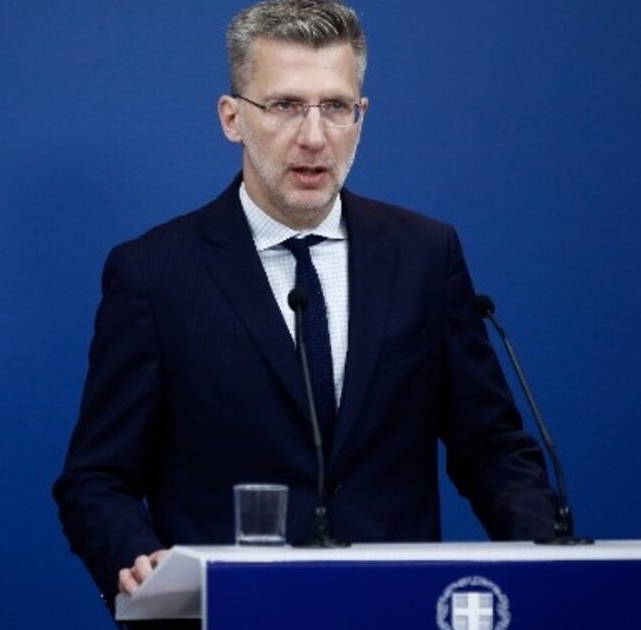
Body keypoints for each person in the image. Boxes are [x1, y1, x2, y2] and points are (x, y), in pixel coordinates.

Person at [53, 0, 558, 624]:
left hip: (397, 610)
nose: (315, 136)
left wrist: (550, 565)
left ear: (361, 115)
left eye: (336, 107)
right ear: (232, 117)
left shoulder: (425, 255)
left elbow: (491, 447)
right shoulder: (156, 273)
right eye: (286, 105)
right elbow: (97, 479)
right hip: (231, 613)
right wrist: (137, 563)